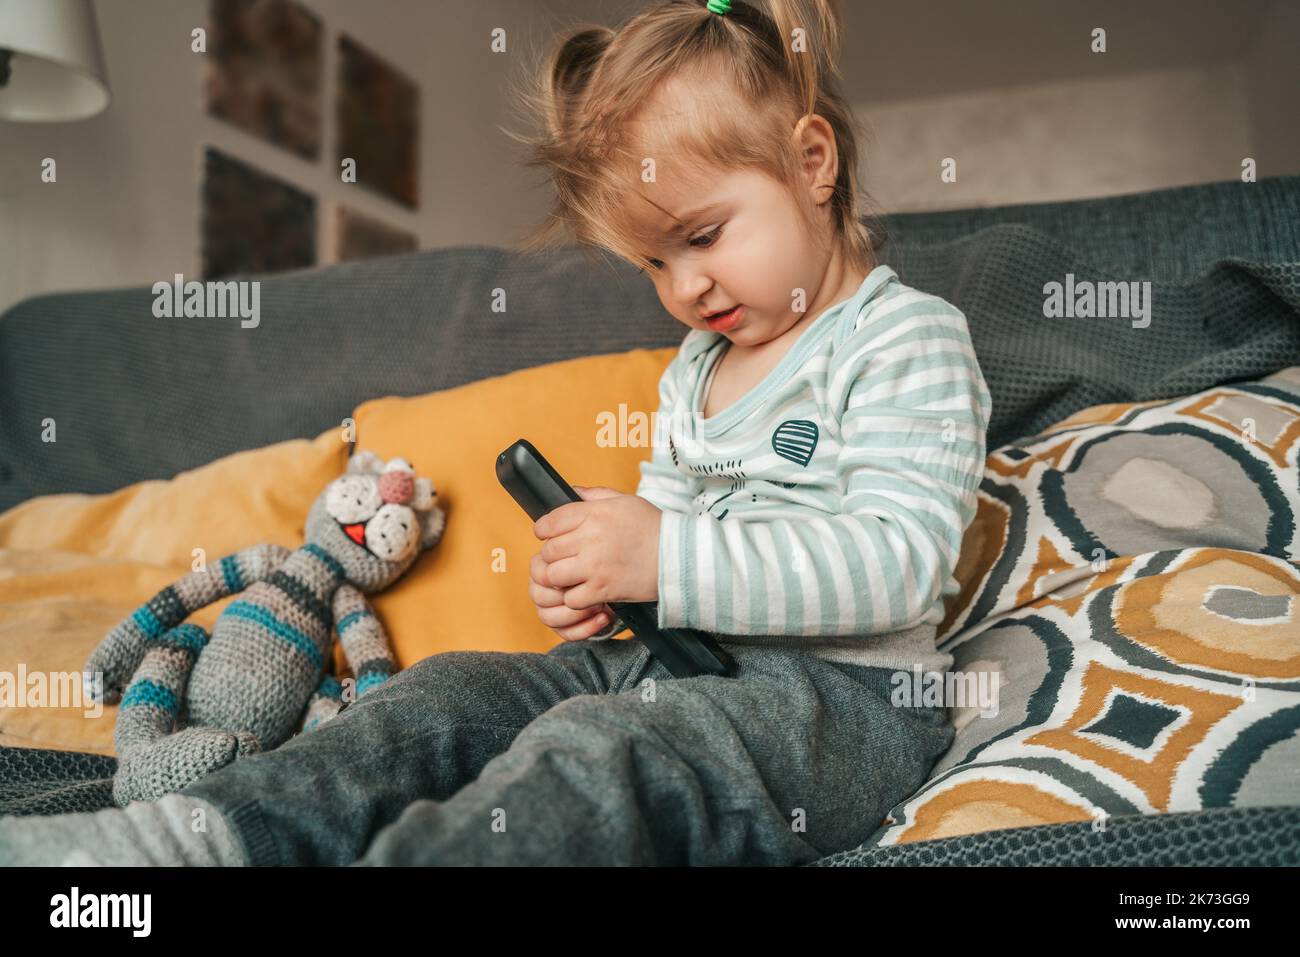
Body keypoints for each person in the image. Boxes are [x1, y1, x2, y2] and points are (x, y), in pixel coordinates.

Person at [0, 0, 989, 867]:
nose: (683, 288)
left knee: (598, 761)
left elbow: (897, 565)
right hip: (662, 662)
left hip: (839, 699)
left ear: (811, 164)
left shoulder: (904, 338)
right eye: (652, 263)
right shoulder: (698, 368)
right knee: (447, 696)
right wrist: (606, 585)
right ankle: (188, 841)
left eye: (702, 236)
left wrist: (667, 557)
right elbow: (666, 537)